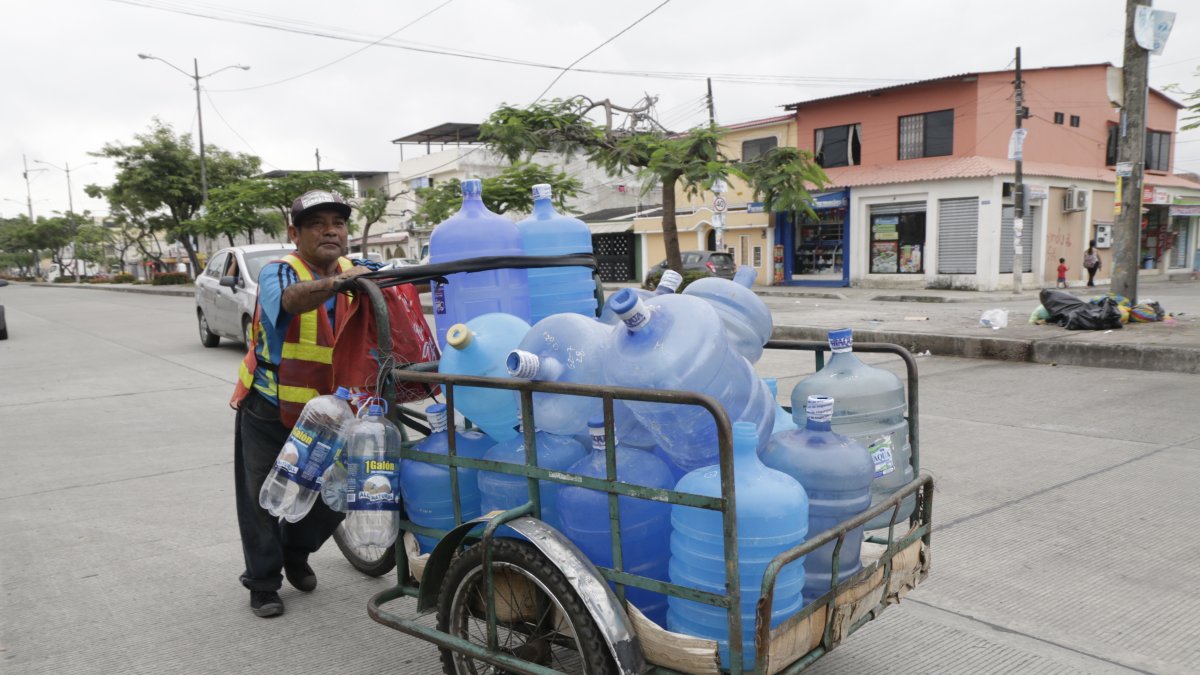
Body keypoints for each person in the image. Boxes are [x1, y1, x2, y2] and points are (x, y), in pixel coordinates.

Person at [228, 190, 373, 617]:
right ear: (295, 234)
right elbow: (289, 301)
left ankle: (296, 551)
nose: (330, 231)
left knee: (340, 491)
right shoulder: (280, 271)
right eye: (316, 224)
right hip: (269, 406)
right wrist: (337, 284)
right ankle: (263, 583)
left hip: (331, 412)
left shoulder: (358, 270)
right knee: (261, 499)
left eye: (338, 223)